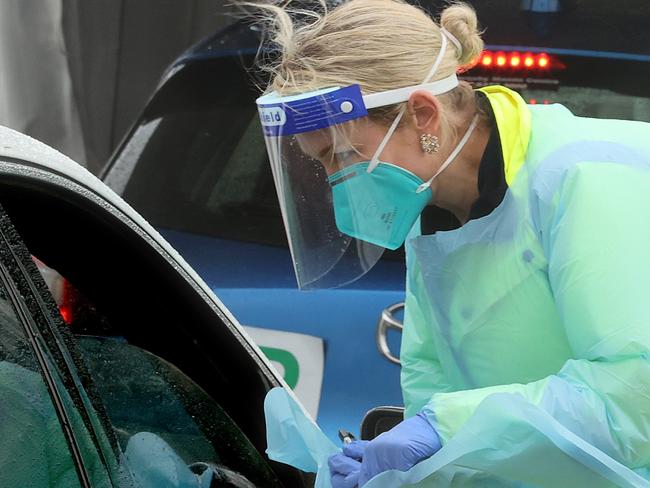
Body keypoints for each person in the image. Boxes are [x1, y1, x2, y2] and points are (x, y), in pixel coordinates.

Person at [252, 0, 650, 486]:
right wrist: (416, 472)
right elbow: (434, 385)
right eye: (322, 163)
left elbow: (635, 398)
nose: (337, 180)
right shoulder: (432, 204)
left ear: (422, 114)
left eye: (344, 154)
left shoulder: (588, 179)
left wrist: (443, 430)